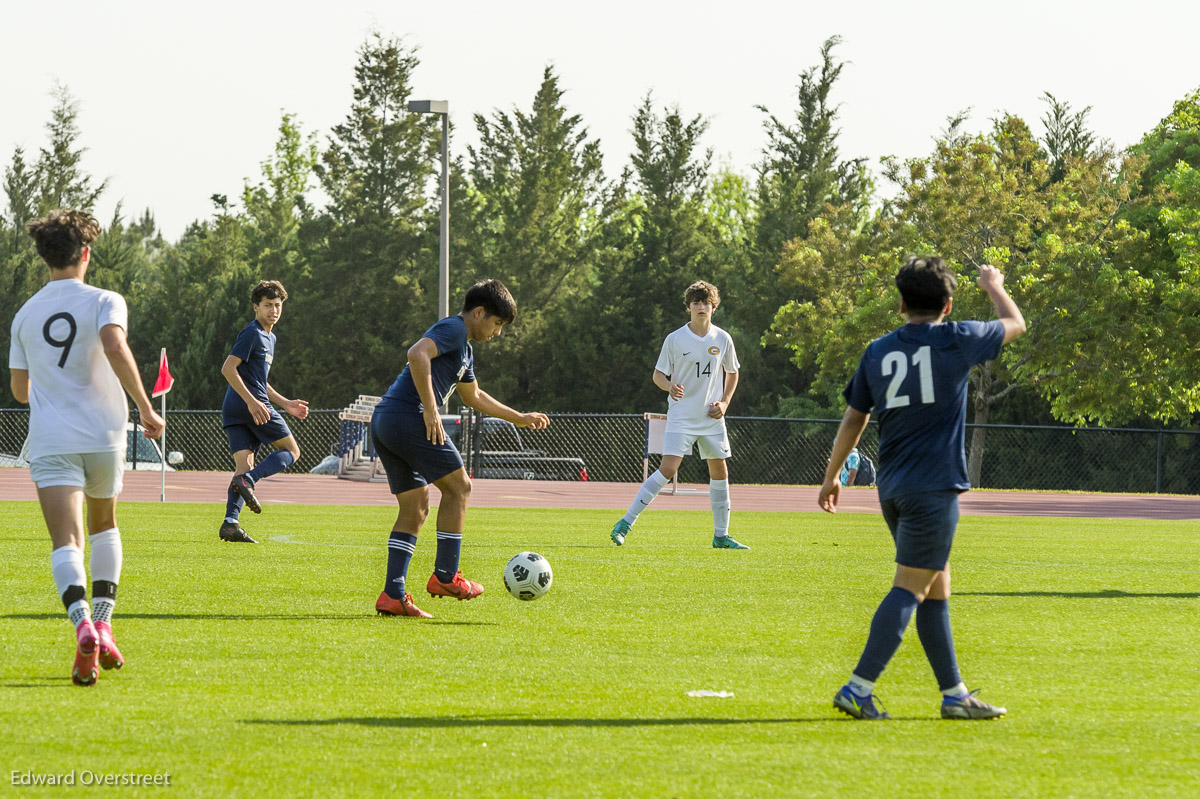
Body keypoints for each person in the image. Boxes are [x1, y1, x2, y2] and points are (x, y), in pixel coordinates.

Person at [820, 257, 1025, 720]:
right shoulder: (958, 338)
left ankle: (955, 695)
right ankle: (857, 687)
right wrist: (993, 285)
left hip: (893, 488)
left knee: (936, 587)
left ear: (901, 304)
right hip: (933, 488)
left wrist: (833, 475)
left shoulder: (876, 350)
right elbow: (1015, 323)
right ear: (948, 304)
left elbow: (855, 416)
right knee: (910, 589)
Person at [8, 209, 166, 686]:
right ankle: (103, 622)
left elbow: (20, 390)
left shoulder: (25, 314)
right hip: (104, 436)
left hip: (53, 440)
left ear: (44, 257)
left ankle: (81, 625)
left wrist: (53, 386)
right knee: (104, 528)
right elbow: (115, 348)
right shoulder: (105, 299)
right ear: (86, 254)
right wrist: (146, 407)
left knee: (66, 542)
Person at [372, 279, 549, 618]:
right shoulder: (454, 328)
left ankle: (393, 595)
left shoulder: (464, 349)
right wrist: (430, 408)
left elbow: (474, 396)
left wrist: (519, 418)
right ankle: (445, 576)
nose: (496, 332)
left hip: (386, 421)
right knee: (460, 487)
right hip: (407, 417)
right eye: (496, 323)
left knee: (417, 507)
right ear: (478, 312)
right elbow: (417, 353)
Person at [610, 280, 746, 550]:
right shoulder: (675, 339)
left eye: (706, 303)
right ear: (688, 307)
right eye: (696, 303)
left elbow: (733, 372)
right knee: (668, 468)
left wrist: (725, 402)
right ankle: (625, 522)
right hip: (682, 417)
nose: (701, 307)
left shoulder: (723, 339)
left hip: (711, 418)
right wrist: (669, 385)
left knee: (719, 472)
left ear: (713, 307)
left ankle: (721, 535)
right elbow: (658, 375)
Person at [219, 280, 309, 543]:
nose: (274, 310)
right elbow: (228, 368)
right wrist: (251, 402)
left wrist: (286, 404)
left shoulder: (271, 338)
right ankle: (250, 480)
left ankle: (230, 523)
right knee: (292, 451)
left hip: (234, 409)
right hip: (249, 406)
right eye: (268, 305)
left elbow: (259, 379)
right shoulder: (253, 333)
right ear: (256, 307)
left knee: (242, 465)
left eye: (278, 305)